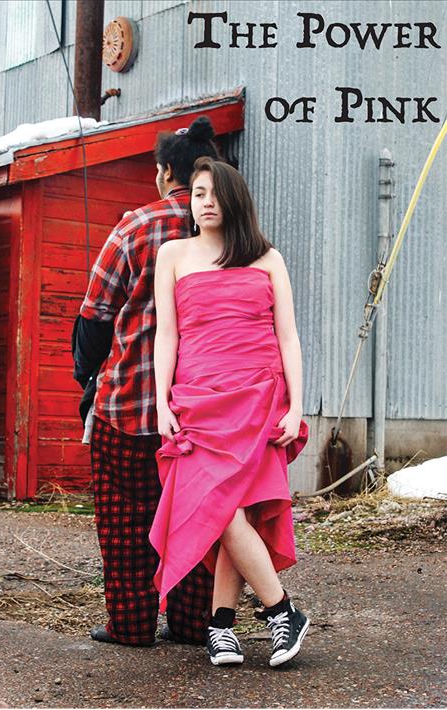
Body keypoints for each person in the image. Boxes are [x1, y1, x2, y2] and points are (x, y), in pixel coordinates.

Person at [150, 156, 310, 667]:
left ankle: (222, 626)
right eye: (198, 193)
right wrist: (161, 404)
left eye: (215, 193)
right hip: (198, 401)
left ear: (234, 199)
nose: (206, 202)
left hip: (260, 399)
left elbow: (288, 336)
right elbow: (167, 335)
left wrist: (297, 406)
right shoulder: (172, 255)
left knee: (232, 511)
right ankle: (281, 611)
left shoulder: (267, 259)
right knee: (217, 506)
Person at [75, 117, 219, 646]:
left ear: (163, 173)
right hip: (204, 414)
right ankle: (192, 622)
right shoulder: (230, 233)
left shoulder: (135, 227)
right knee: (199, 519)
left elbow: (94, 316)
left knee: (124, 520)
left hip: (129, 408)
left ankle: (132, 624)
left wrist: (86, 376)